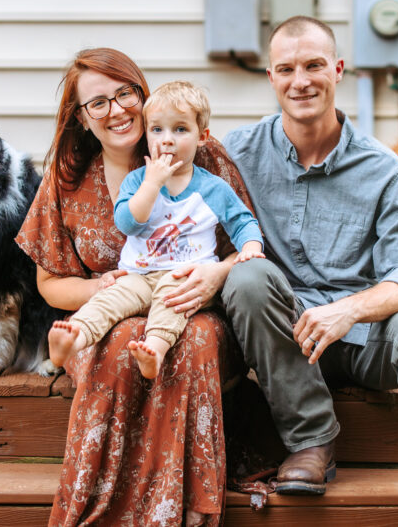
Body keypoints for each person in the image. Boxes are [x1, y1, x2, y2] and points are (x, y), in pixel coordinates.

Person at [221, 16, 398, 526]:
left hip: (366, 336)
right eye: (287, 68)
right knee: (248, 278)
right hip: (281, 337)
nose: (301, 80)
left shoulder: (382, 169)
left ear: (337, 69)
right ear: (272, 78)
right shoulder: (236, 154)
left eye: (314, 65)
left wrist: (348, 310)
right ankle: (312, 442)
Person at [16, 49, 252, 526]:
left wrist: (216, 276)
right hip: (106, 313)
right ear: (81, 118)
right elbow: (49, 284)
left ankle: (183, 513)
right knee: (122, 340)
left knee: (193, 341)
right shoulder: (67, 179)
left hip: (192, 306)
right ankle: (96, 511)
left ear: (143, 98)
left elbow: (248, 242)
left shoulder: (200, 155)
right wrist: (99, 288)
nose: (116, 110)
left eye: (125, 94)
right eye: (98, 102)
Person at [46, 81, 264, 379]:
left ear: (203, 137)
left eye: (180, 129)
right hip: (137, 275)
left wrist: (251, 246)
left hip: (185, 277)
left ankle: (156, 350)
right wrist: (152, 184)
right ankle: (75, 338)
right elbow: (126, 222)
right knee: (110, 300)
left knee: (172, 303)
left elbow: (242, 221)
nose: (167, 140)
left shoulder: (213, 187)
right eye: (157, 130)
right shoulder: (137, 182)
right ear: (147, 135)